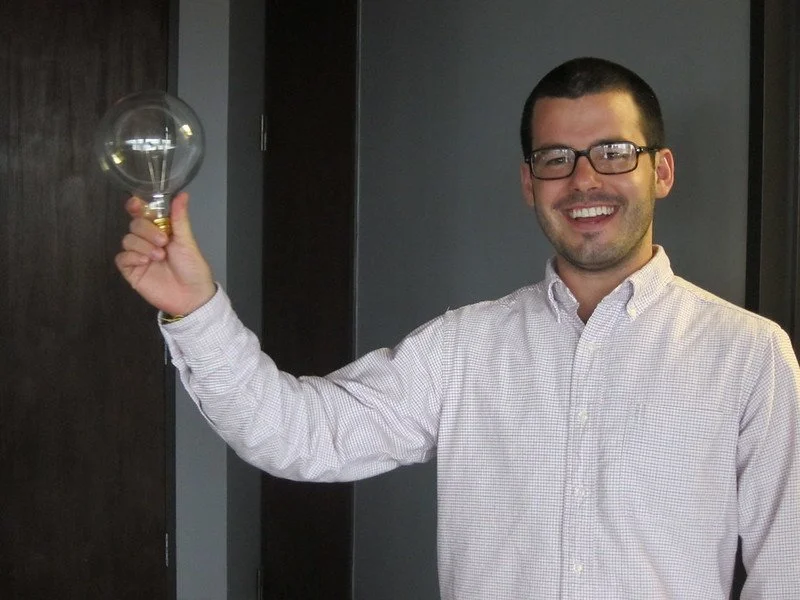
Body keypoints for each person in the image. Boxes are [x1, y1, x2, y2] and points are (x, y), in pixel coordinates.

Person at [116, 57, 800, 599]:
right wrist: (196, 309)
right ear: (530, 183)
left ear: (662, 171)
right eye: (556, 158)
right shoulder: (462, 348)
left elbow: (787, 569)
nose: (585, 179)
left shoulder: (748, 356)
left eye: (614, 152)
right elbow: (295, 433)